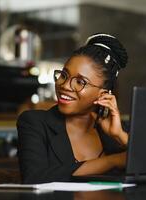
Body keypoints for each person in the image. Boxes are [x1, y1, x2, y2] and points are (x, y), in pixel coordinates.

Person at [17, 33, 129, 184]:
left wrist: (120, 136)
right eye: (64, 75)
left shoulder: (119, 132)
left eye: (80, 82)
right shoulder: (35, 123)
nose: (64, 85)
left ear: (103, 94)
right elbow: (34, 178)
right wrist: (112, 161)